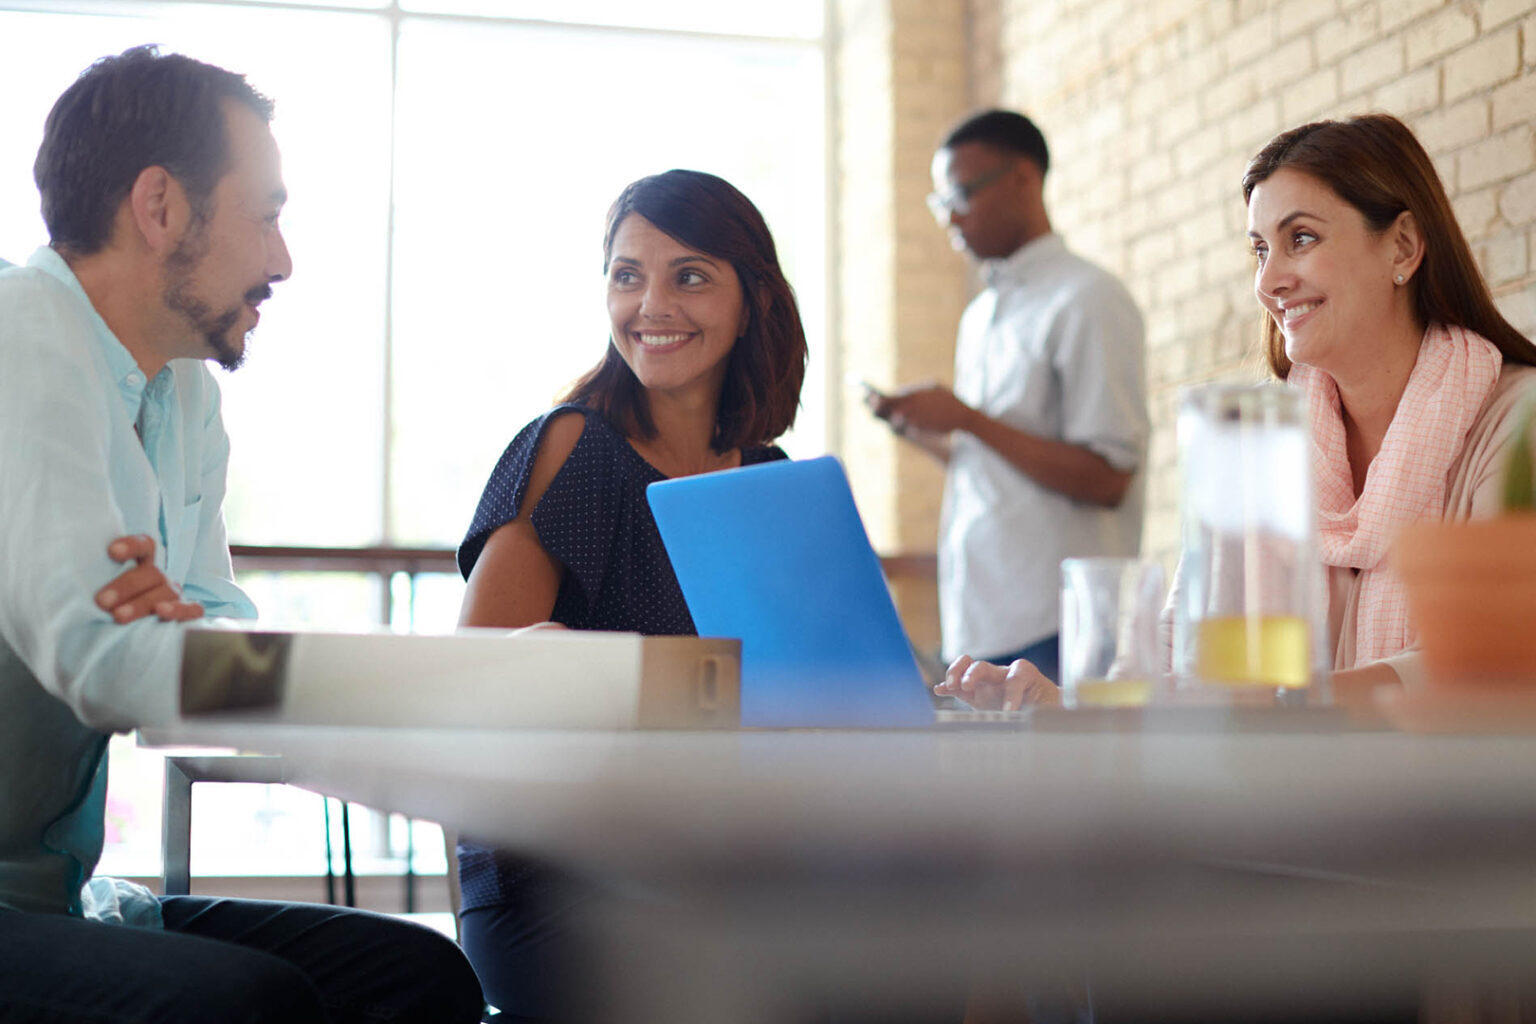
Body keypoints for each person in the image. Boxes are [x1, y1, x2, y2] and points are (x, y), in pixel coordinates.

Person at [0, 46, 483, 1023]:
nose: (283, 259)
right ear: (161, 205)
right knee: (247, 1002)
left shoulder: (180, 389)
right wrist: (162, 642)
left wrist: (173, 638)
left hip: (62, 902)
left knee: (424, 978)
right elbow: (103, 659)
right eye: (265, 214)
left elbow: (210, 638)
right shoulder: (20, 331)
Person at [944, 112, 1536, 714]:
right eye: (1260, 250)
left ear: (1403, 246)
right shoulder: (1259, 446)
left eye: (1300, 238)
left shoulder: (1517, 425)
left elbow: (1498, 658)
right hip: (1287, 799)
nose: (1269, 281)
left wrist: (1287, 709)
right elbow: (1184, 646)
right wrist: (1067, 704)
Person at [455, 168, 808, 1017]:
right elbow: (469, 680)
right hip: (553, 872)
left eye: (689, 275)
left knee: (929, 946)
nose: (651, 304)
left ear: (752, 298)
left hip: (715, 857)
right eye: (627, 275)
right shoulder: (574, 447)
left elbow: (819, 683)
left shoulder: (769, 478)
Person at [866, 109, 1149, 685]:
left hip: (1056, 625)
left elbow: (1108, 478)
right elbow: (1001, 466)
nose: (951, 217)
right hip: (979, 621)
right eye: (940, 201)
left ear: (1024, 178)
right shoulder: (982, 316)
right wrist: (929, 432)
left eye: (962, 193)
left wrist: (968, 419)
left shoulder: (1088, 298)